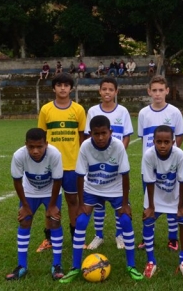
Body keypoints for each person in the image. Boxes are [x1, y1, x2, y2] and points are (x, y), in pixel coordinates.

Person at [59, 115, 143, 283]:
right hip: (93, 188)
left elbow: (125, 175)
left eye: (104, 133)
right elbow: (80, 175)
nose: (100, 137)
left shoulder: (118, 146)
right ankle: (75, 267)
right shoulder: (85, 146)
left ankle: (131, 265)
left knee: (126, 220)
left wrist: (125, 203)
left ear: (110, 132)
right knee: (81, 221)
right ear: (90, 134)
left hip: (115, 188)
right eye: (96, 134)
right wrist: (81, 204)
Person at [6, 128, 64, 281]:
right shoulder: (19, 155)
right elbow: (17, 181)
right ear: (26, 145)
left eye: (39, 146)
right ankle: (21, 266)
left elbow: (58, 180)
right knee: (24, 221)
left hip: (51, 190)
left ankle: (57, 265)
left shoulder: (54, 154)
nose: (35, 151)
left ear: (46, 143)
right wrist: (25, 206)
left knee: (54, 221)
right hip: (30, 191)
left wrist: (52, 206)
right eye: (31, 147)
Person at [37, 73, 86, 252]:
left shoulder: (79, 110)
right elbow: (41, 138)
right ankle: (49, 238)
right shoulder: (46, 110)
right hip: (50, 166)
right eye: (59, 85)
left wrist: (82, 161)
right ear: (54, 88)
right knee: (51, 203)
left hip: (72, 164)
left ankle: (76, 238)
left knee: (73, 200)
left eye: (66, 85)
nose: (63, 88)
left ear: (71, 88)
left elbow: (82, 138)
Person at [84, 77, 134, 250]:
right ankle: (99, 235)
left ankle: (120, 235)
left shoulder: (123, 111)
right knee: (98, 201)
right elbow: (87, 135)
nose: (107, 92)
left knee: (118, 199)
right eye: (104, 89)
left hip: (116, 162)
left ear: (116, 92)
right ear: (99, 91)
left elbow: (127, 135)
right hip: (97, 162)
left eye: (110, 89)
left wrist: (119, 154)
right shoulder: (92, 111)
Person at [137, 75, 183, 250]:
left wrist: (169, 155)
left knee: (172, 199)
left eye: (161, 90)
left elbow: (179, 136)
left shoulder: (174, 112)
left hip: (170, 166)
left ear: (167, 91)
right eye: (154, 90)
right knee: (148, 202)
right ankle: (146, 237)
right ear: (149, 91)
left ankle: (173, 238)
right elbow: (143, 138)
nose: (157, 94)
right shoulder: (143, 113)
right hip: (149, 167)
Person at [141, 125, 183, 278]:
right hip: (154, 197)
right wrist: (150, 206)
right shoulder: (149, 155)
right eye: (159, 142)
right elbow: (149, 181)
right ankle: (150, 261)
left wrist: (181, 205)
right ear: (153, 142)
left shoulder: (179, 154)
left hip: (175, 196)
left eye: (166, 142)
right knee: (148, 220)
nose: (162, 145)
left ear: (173, 142)